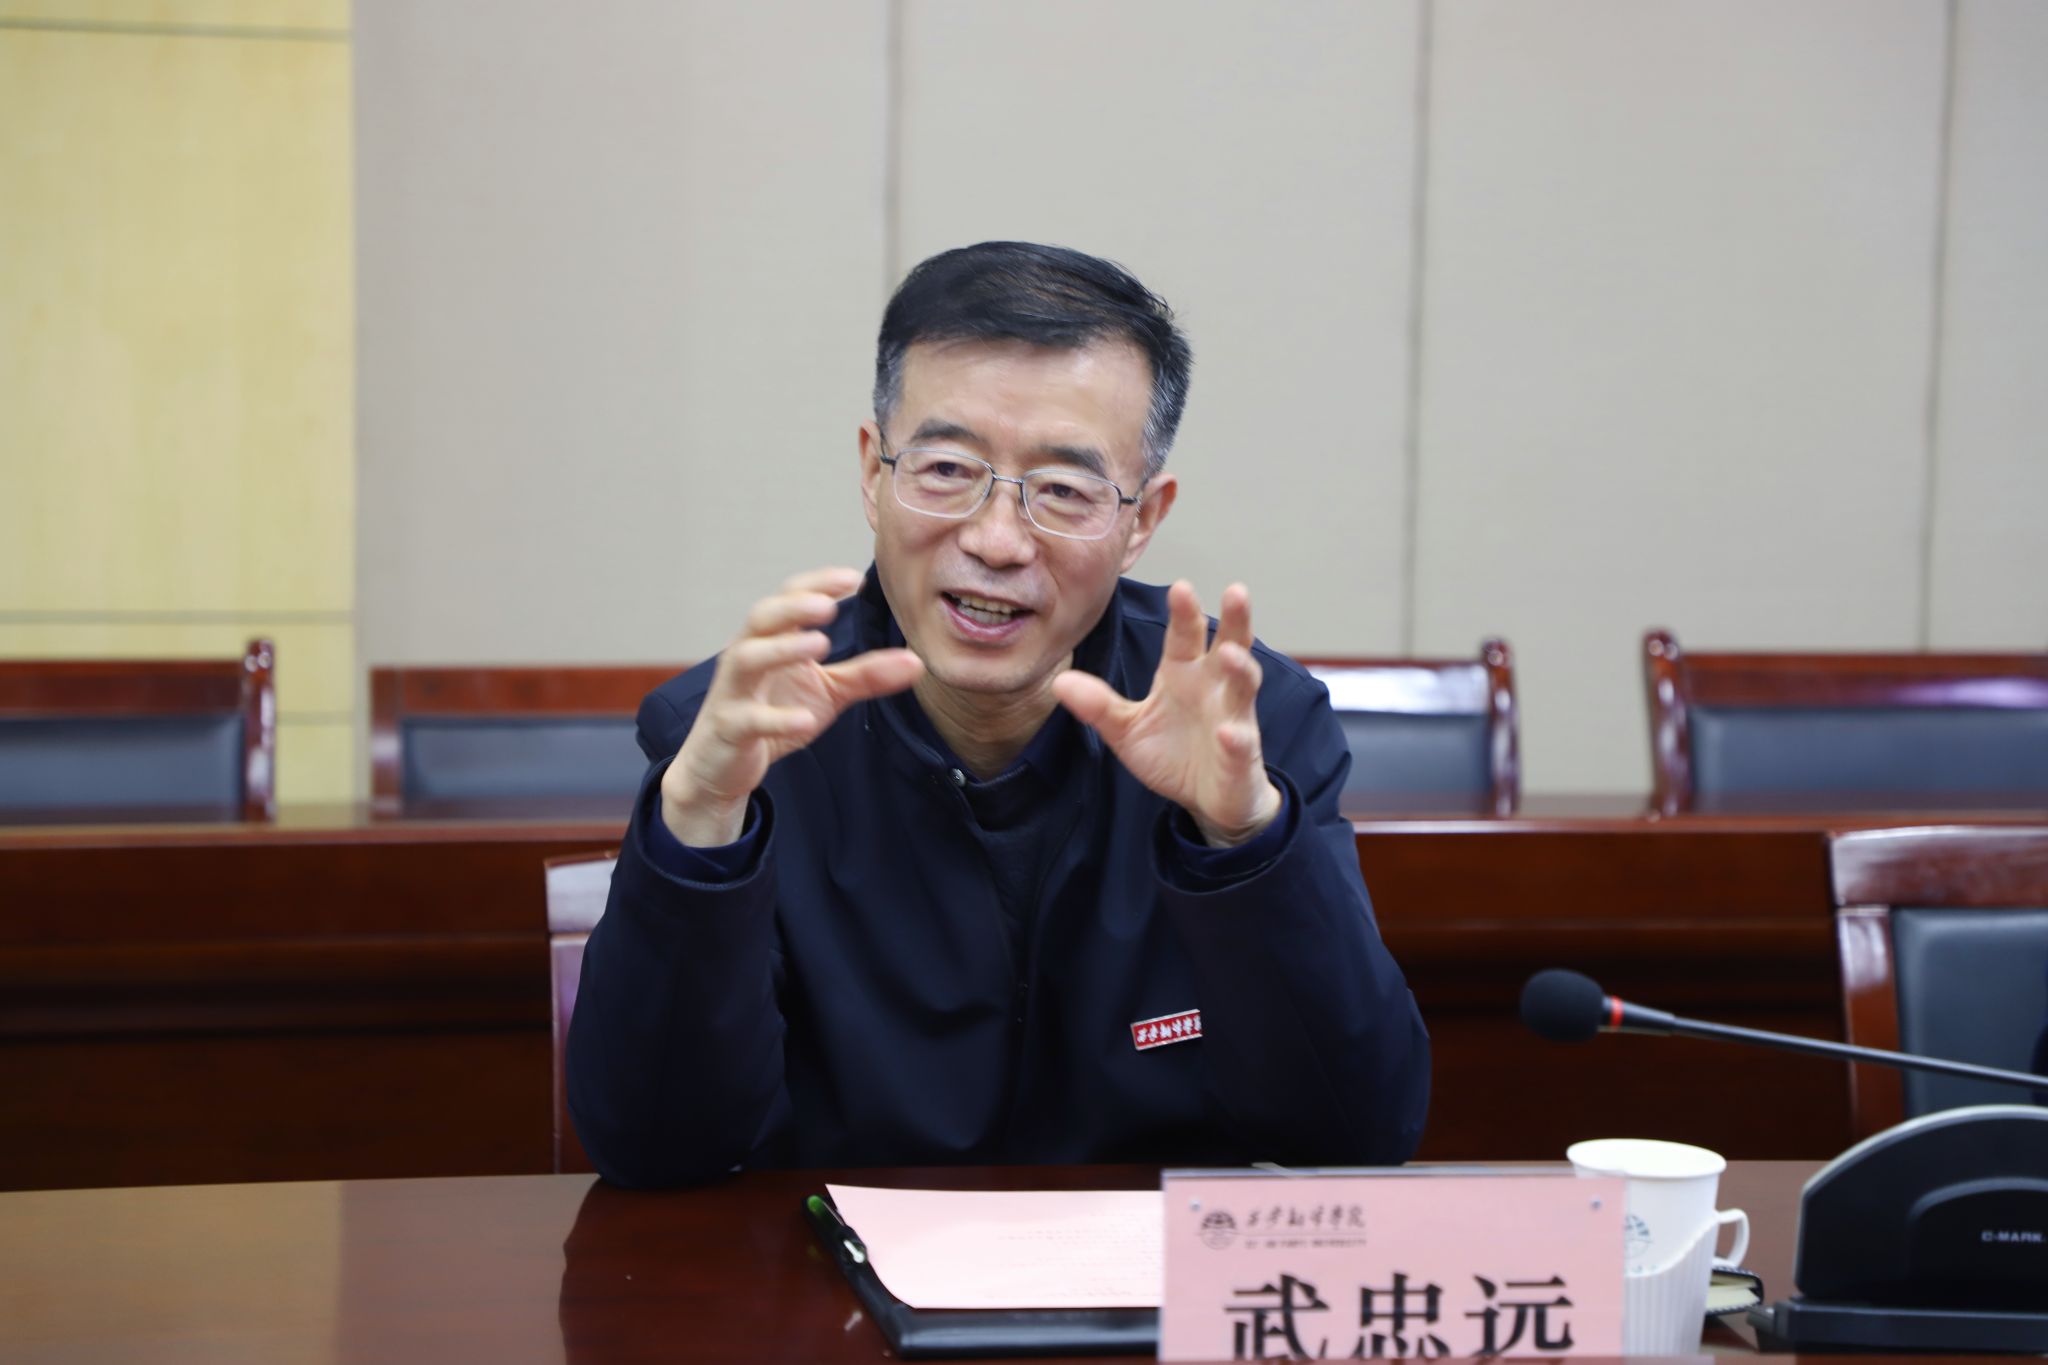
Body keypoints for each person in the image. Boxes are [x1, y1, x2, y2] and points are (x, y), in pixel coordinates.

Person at [568, 241, 1428, 1186]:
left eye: (1063, 490)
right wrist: (699, 823)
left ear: (1142, 520)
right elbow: (654, 1153)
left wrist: (1244, 841)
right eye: (946, 468)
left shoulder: (1249, 724)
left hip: (1149, 1272)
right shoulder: (744, 731)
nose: (995, 539)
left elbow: (1358, 1133)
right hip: (830, 1269)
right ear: (873, 472)